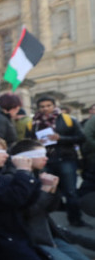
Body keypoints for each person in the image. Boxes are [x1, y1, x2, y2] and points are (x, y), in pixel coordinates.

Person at [10, 139, 95, 260]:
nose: (46, 158)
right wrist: (45, 189)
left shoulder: (37, 174)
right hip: (33, 237)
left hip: (47, 233)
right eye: (40, 154)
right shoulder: (15, 179)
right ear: (25, 158)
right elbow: (28, 212)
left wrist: (53, 189)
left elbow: (50, 209)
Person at [26, 95, 87, 227]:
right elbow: (27, 142)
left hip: (66, 159)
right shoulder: (33, 123)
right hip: (45, 160)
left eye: (48, 106)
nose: (45, 109)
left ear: (54, 106)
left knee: (70, 191)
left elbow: (81, 137)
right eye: (42, 106)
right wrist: (36, 143)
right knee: (48, 190)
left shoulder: (68, 119)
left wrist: (60, 138)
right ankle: (49, 223)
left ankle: (76, 220)